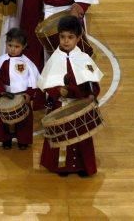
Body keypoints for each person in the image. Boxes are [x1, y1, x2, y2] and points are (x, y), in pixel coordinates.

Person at [37, 16, 102, 177]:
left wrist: (91, 95)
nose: (66, 41)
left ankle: (81, 166)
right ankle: (62, 167)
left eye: (70, 37)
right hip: (61, 106)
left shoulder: (84, 58)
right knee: (62, 135)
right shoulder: (54, 59)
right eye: (62, 37)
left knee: (82, 138)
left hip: (79, 105)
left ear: (78, 38)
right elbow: (47, 85)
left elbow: (93, 83)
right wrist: (58, 91)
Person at [0, 28, 40, 149]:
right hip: (6, 96)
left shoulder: (27, 63)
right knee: (3, 121)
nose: (12, 49)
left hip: (22, 96)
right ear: (6, 44)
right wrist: (1, 91)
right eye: (10, 45)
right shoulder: (2, 61)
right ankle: (6, 139)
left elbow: (33, 80)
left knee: (24, 121)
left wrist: (29, 94)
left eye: (16, 46)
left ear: (24, 46)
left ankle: (23, 140)